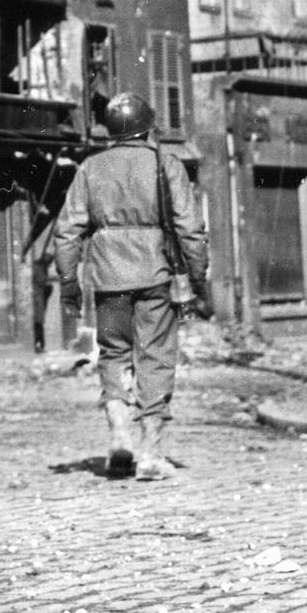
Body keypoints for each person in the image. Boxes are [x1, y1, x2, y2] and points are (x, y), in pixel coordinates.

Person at [50, 91, 210, 480]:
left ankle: (119, 430)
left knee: (113, 353)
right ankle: (151, 452)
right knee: (155, 357)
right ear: (148, 126)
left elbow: (67, 233)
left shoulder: (90, 168)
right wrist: (198, 275)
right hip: (156, 274)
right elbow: (190, 229)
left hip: (107, 278)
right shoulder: (166, 164)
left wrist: (69, 281)